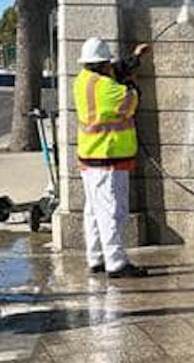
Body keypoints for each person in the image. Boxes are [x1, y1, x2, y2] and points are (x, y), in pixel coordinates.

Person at [72, 37, 151, 278]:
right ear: (103, 65)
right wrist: (131, 80)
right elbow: (133, 99)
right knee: (113, 212)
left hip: (90, 157)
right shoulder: (107, 89)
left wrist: (135, 58)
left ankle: (96, 258)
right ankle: (116, 263)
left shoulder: (83, 80)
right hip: (108, 158)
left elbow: (117, 69)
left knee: (94, 211)